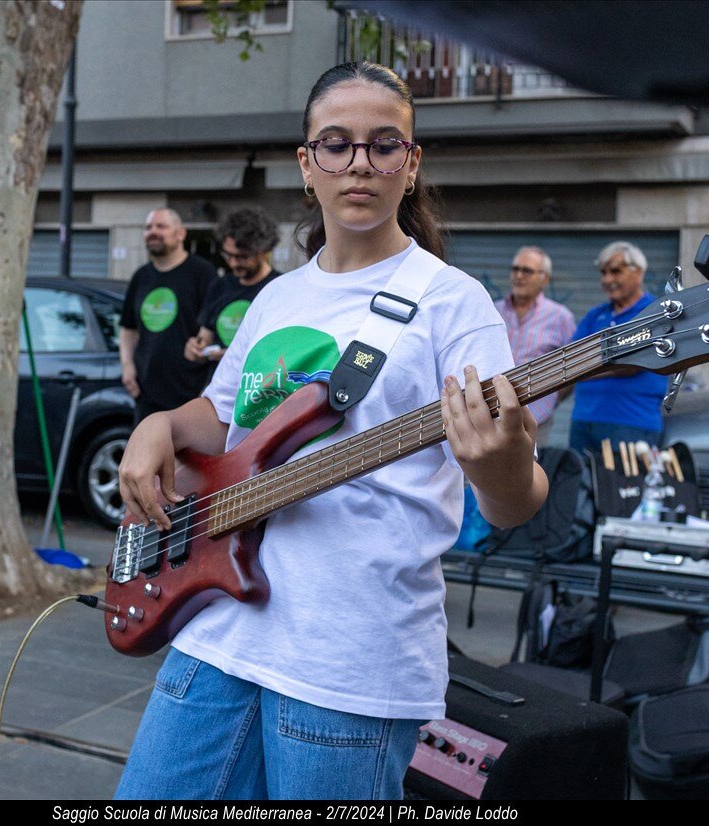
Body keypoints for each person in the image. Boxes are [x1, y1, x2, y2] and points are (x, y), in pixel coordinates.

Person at [114, 61, 546, 800]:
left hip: (351, 658)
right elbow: (223, 419)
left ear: (410, 167)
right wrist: (159, 423)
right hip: (217, 626)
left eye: (384, 145)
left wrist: (499, 461)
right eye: (336, 144)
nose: (360, 163)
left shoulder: (452, 302)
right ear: (306, 164)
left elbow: (514, 505)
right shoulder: (278, 296)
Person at [569, 241, 669, 454]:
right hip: (583, 421)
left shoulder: (654, 312)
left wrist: (586, 366)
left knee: (626, 487)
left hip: (631, 423)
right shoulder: (596, 314)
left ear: (639, 273)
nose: (607, 280)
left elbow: (630, 364)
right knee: (578, 485)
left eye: (616, 271)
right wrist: (608, 361)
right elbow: (570, 361)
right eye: (603, 273)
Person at [119, 208, 218, 424]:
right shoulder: (141, 276)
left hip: (192, 394)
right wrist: (127, 366)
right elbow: (128, 329)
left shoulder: (202, 273)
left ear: (180, 233)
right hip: (147, 395)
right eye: (148, 227)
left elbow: (213, 328)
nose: (153, 231)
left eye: (161, 226)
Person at [494, 246, 575, 440]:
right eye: (515, 269)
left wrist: (550, 399)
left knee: (532, 471)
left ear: (544, 278)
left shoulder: (560, 317)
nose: (519, 275)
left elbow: (572, 369)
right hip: (493, 417)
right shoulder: (494, 310)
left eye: (527, 271)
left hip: (536, 419)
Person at [184, 207, 281, 369]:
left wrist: (237, 355)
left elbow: (283, 348)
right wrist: (195, 349)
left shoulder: (279, 288)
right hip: (219, 386)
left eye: (242, 257)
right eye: (228, 255)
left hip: (260, 386)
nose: (234, 263)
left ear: (264, 251)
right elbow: (205, 337)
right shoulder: (219, 286)